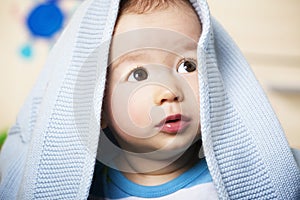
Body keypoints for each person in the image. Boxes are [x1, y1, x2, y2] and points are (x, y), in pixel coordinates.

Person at [0, 0, 299, 199]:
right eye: (139, 74)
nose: (170, 90)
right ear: (97, 102)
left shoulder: (263, 175)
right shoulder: (91, 192)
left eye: (188, 66)